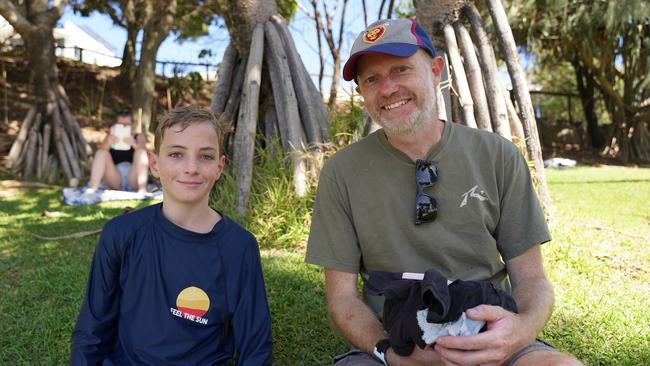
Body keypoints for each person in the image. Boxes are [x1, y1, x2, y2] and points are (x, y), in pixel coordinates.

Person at [305, 19, 581, 366]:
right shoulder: (341, 173)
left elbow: (532, 279)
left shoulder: (497, 156)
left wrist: (517, 333)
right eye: (372, 79)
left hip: (491, 338)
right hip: (398, 345)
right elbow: (342, 301)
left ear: (436, 70)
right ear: (362, 92)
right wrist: (391, 354)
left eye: (401, 69)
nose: (388, 88)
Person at [71, 106, 272, 365]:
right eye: (176, 154)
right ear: (154, 163)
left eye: (206, 157)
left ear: (220, 167)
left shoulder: (240, 247)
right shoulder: (121, 234)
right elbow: (92, 330)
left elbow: (255, 347)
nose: (191, 168)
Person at [86, 110, 149, 194]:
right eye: (120, 125)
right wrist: (108, 142)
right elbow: (100, 154)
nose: (123, 127)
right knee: (102, 152)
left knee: (140, 152)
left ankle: (142, 189)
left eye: (126, 125)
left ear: (132, 125)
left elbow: (143, 151)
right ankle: (93, 188)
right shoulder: (110, 137)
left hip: (133, 176)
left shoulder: (138, 136)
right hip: (115, 176)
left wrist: (133, 144)